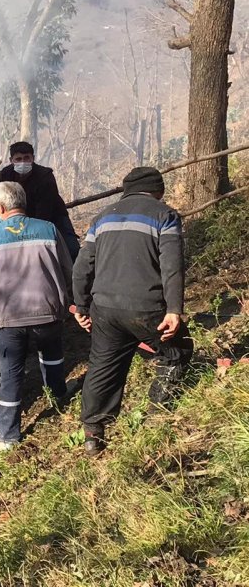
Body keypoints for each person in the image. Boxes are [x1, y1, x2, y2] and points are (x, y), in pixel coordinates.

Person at [72, 166, 193, 456]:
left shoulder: (101, 218)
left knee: (103, 365)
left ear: (125, 190)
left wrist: (81, 306)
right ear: (159, 191)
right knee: (178, 350)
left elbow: (81, 267)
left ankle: (92, 432)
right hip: (146, 308)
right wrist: (174, 310)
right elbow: (172, 267)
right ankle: (157, 414)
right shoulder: (165, 215)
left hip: (103, 309)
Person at [0, 181, 74, 451]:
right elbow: (67, 269)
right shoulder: (48, 229)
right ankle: (59, 396)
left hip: (7, 320)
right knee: (52, 356)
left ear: (0, 207)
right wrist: (66, 300)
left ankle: (8, 435)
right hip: (47, 313)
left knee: (10, 374)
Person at [0, 141, 80, 260]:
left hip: (54, 217)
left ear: (33, 158)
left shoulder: (45, 176)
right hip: (20, 218)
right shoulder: (7, 174)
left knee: (71, 250)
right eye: (18, 159)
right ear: (11, 160)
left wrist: (33, 234)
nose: (23, 162)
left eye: (27, 158)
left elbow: (45, 211)